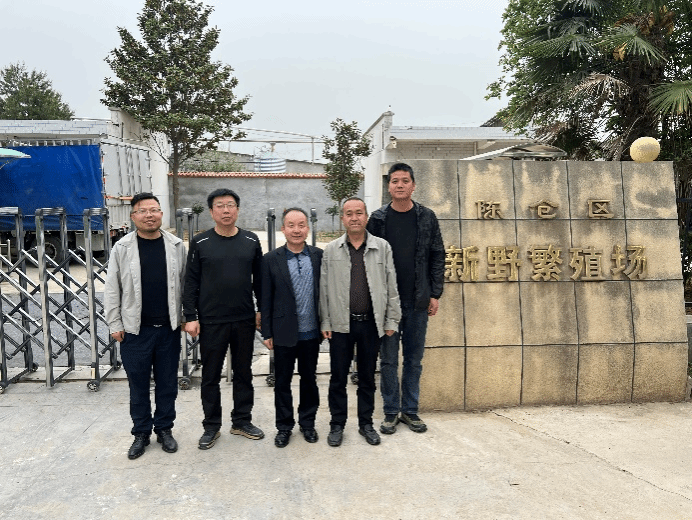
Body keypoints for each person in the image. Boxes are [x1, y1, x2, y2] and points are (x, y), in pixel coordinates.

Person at [105, 192, 186, 460]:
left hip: (169, 329)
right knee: (138, 385)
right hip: (134, 330)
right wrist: (114, 322)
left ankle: (164, 429)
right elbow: (112, 288)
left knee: (167, 384)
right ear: (133, 217)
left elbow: (186, 284)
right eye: (142, 211)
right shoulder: (122, 248)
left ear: (161, 214)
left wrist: (188, 316)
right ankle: (141, 432)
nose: (149, 215)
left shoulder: (176, 246)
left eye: (154, 210)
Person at [366, 162, 445, 434]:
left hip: (418, 301)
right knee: (388, 360)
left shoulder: (427, 217)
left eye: (405, 181)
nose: (399, 185)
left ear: (413, 186)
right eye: (395, 181)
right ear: (388, 187)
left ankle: (410, 411)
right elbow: (368, 260)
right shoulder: (377, 219)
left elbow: (437, 255)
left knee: (413, 359)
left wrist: (435, 293)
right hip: (388, 304)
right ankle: (390, 412)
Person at [183, 188, 264, 450]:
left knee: (243, 373)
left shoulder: (251, 240)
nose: (226, 210)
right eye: (220, 206)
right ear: (211, 211)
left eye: (230, 205)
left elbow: (260, 280)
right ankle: (211, 426)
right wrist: (190, 316)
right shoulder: (200, 242)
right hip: (211, 320)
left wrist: (261, 310)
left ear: (237, 210)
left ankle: (241, 420)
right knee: (210, 375)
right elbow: (191, 281)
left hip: (244, 318)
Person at [320, 197, 401, 447]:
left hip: (370, 324)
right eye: (349, 213)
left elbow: (391, 286)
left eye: (359, 213)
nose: (354, 218)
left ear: (366, 217)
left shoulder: (382, 247)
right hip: (341, 325)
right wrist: (325, 322)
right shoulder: (331, 250)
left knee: (367, 377)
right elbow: (324, 289)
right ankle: (337, 424)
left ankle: (366, 423)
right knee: (338, 377)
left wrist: (391, 319)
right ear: (342, 218)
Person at [261, 208, 323, 448]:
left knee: (309, 380)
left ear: (308, 228)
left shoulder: (318, 256)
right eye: (291, 225)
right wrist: (267, 332)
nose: (296, 230)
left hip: (311, 333)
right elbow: (265, 298)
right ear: (283, 229)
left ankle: (308, 424)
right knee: (282, 381)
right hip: (283, 332)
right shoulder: (271, 259)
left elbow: (325, 294)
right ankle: (284, 426)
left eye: (301, 225)